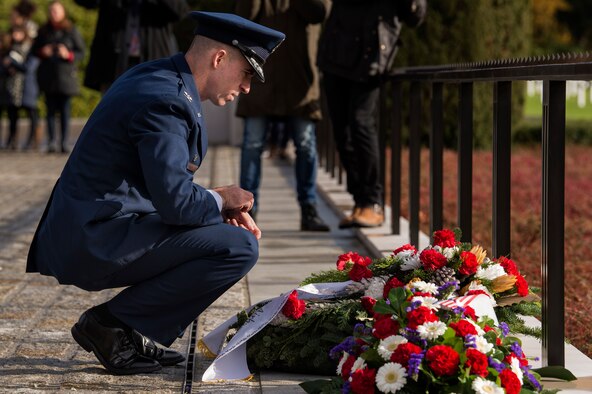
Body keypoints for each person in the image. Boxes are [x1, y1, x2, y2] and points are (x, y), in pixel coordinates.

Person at [26, 11, 284, 375]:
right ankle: (109, 325)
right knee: (237, 246)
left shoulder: (159, 77)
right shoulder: (167, 101)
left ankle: (127, 328)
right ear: (219, 58)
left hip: (95, 226)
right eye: (246, 74)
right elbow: (177, 204)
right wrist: (222, 200)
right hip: (94, 238)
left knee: (220, 232)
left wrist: (216, 204)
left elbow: (166, 187)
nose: (246, 88)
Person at [317, 0, 426, 228]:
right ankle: (360, 201)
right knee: (341, 132)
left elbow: (415, 17)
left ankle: (372, 203)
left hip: (370, 55)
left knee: (360, 123)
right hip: (335, 54)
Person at [236, 0, 330, 232]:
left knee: (306, 145)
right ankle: (246, 211)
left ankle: (309, 208)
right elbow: (243, 18)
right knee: (252, 144)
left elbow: (319, 12)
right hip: (262, 78)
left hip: (300, 81)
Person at [74, 0, 189, 93]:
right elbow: (87, 3)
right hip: (113, 62)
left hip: (154, 62)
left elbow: (181, 11)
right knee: (113, 113)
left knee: (151, 113)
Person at [32, 0, 85, 153]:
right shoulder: (43, 31)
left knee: (64, 111)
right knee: (49, 111)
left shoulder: (71, 30)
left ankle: (64, 142)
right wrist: (44, 51)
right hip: (48, 77)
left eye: (56, 10)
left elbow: (82, 52)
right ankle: (51, 142)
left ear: (63, 12)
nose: (54, 13)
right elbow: (33, 51)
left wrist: (68, 54)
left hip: (65, 77)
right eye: (51, 10)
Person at [2, 25, 40, 151]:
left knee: (32, 115)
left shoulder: (30, 48)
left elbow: (28, 68)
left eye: (18, 32)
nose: (15, 35)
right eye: (14, 32)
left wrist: (13, 63)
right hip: (12, 88)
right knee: (12, 116)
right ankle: (11, 141)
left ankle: (32, 141)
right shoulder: (9, 49)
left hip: (27, 87)